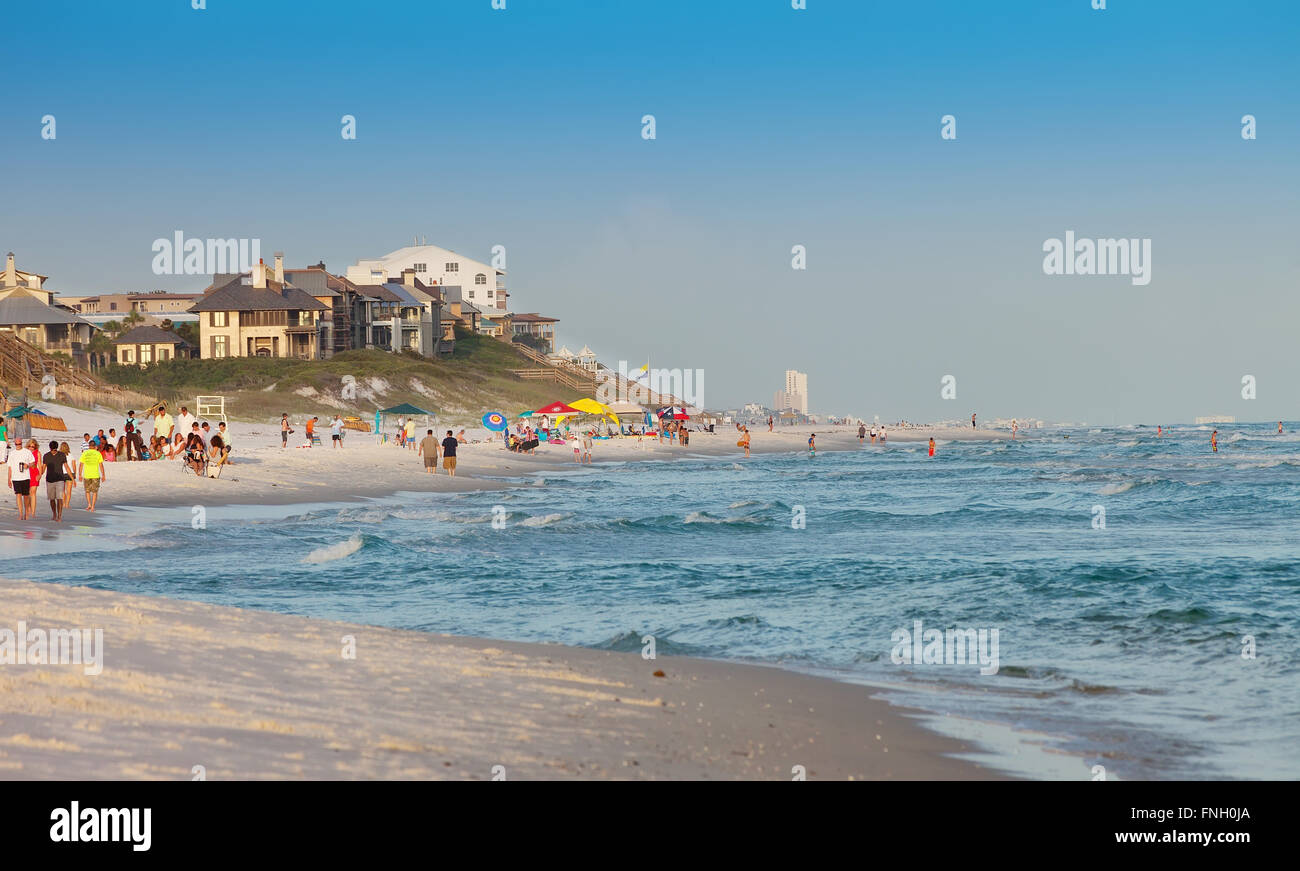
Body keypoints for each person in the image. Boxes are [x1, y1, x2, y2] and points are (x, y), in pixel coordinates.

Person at [7, 437, 35, 520]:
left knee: (26, 496)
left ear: (22, 443)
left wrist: (28, 465)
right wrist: (9, 479)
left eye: (19, 444)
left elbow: (33, 463)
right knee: (18, 495)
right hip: (16, 478)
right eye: (16, 444)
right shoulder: (12, 453)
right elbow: (10, 467)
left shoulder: (27, 452)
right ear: (14, 444)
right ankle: (20, 514)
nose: (18, 445)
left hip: (25, 477)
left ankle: (27, 513)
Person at [43, 440, 68, 521]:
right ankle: (54, 514)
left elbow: (66, 466)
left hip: (60, 479)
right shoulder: (46, 456)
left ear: (56, 448)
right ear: (50, 448)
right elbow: (43, 467)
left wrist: (72, 477)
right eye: (52, 450)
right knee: (52, 499)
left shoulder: (62, 455)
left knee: (59, 498)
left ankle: (59, 516)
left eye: (54, 450)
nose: (53, 451)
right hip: (49, 479)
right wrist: (39, 475)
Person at [79, 439, 106, 511]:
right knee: (94, 491)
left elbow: (81, 465)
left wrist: (79, 475)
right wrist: (103, 475)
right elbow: (101, 465)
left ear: (89, 446)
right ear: (95, 446)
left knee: (87, 491)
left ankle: (89, 504)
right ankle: (93, 506)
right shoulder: (98, 453)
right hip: (95, 475)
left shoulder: (85, 453)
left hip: (87, 475)